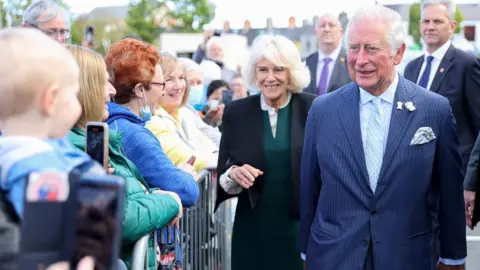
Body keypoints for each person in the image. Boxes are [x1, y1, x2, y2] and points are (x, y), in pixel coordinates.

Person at [300, 5, 466, 270]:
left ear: (398, 52)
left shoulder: (434, 110)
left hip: (408, 257)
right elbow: (310, 187)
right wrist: (306, 253)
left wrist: (453, 257)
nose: (360, 59)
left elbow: (449, 193)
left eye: (371, 48)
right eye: (354, 48)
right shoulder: (322, 111)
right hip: (334, 257)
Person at [66, 45, 182, 269]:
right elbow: (122, 219)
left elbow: (127, 199)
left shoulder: (99, 140)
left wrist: (152, 194)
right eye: (102, 81)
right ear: (82, 88)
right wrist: (170, 201)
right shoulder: (80, 150)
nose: (111, 90)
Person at [0, 28, 105, 269]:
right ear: (52, 100)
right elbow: (48, 236)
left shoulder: (17, 151)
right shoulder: (33, 165)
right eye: (75, 94)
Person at [215, 34, 314, 270]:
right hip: (252, 232)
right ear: (254, 73)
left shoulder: (313, 108)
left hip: (300, 232)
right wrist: (233, 174)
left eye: (278, 69)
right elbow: (223, 172)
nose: (270, 78)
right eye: (263, 70)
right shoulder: (236, 113)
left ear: (291, 72)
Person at [104, 38, 199, 207]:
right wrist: (184, 174)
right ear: (140, 90)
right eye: (161, 84)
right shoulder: (135, 135)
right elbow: (187, 191)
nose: (162, 92)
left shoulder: (111, 122)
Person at [404, 0, 480, 173]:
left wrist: (472, 182)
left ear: (452, 26)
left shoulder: (467, 65)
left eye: (437, 21)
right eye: (426, 21)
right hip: (418, 171)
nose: (430, 27)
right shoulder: (412, 68)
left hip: (456, 171)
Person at [147, 52, 218, 172]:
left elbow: (211, 146)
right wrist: (225, 162)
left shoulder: (183, 114)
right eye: (169, 79)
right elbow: (187, 159)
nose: (179, 86)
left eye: (181, 78)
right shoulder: (152, 121)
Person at [178, 57, 222, 146]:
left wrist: (208, 119)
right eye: (191, 83)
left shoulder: (189, 108)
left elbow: (201, 129)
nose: (195, 87)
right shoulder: (179, 109)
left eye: (199, 83)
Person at [304, 13, 351, 95]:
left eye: (331, 25)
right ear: (316, 32)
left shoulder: (350, 61)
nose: (326, 29)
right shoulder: (307, 63)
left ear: (341, 32)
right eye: (322, 25)